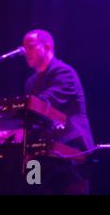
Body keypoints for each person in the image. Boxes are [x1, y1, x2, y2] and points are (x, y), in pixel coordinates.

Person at [23, 29, 95, 194]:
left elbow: (43, 104)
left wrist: (16, 115)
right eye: (24, 48)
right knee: (32, 188)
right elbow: (30, 118)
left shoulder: (64, 73)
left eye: (31, 47)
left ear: (47, 47)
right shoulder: (30, 82)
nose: (26, 52)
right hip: (42, 154)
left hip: (71, 152)